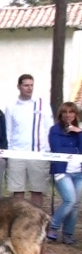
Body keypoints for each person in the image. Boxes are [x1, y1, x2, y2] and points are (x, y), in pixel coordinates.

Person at [4, 74, 53, 207]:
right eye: (26, 85)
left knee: (37, 191)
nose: (29, 88)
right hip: (16, 153)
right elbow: (8, 130)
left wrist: (47, 150)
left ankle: (36, 222)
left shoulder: (42, 104)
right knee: (17, 191)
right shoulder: (11, 106)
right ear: (19, 86)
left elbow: (49, 127)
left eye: (31, 85)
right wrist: (9, 152)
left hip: (38, 154)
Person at [47, 102, 82, 245]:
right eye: (65, 112)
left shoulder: (78, 131)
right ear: (61, 115)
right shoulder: (55, 130)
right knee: (70, 200)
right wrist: (74, 151)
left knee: (75, 204)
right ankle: (52, 228)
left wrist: (79, 133)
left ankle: (68, 234)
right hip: (62, 171)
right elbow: (57, 149)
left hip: (78, 172)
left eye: (71, 112)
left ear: (75, 115)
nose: (68, 115)